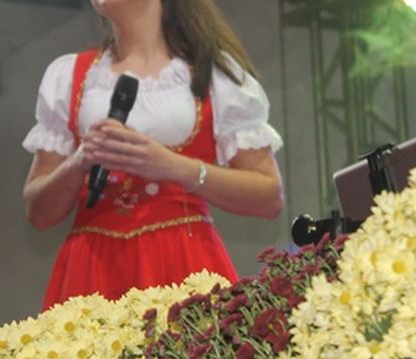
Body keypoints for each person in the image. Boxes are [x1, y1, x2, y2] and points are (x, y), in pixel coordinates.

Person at [22, 0, 285, 309]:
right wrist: (79, 161)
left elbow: (269, 197)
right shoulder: (69, 75)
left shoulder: (213, 74)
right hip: (93, 269)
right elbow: (38, 213)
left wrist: (173, 167)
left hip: (182, 262)